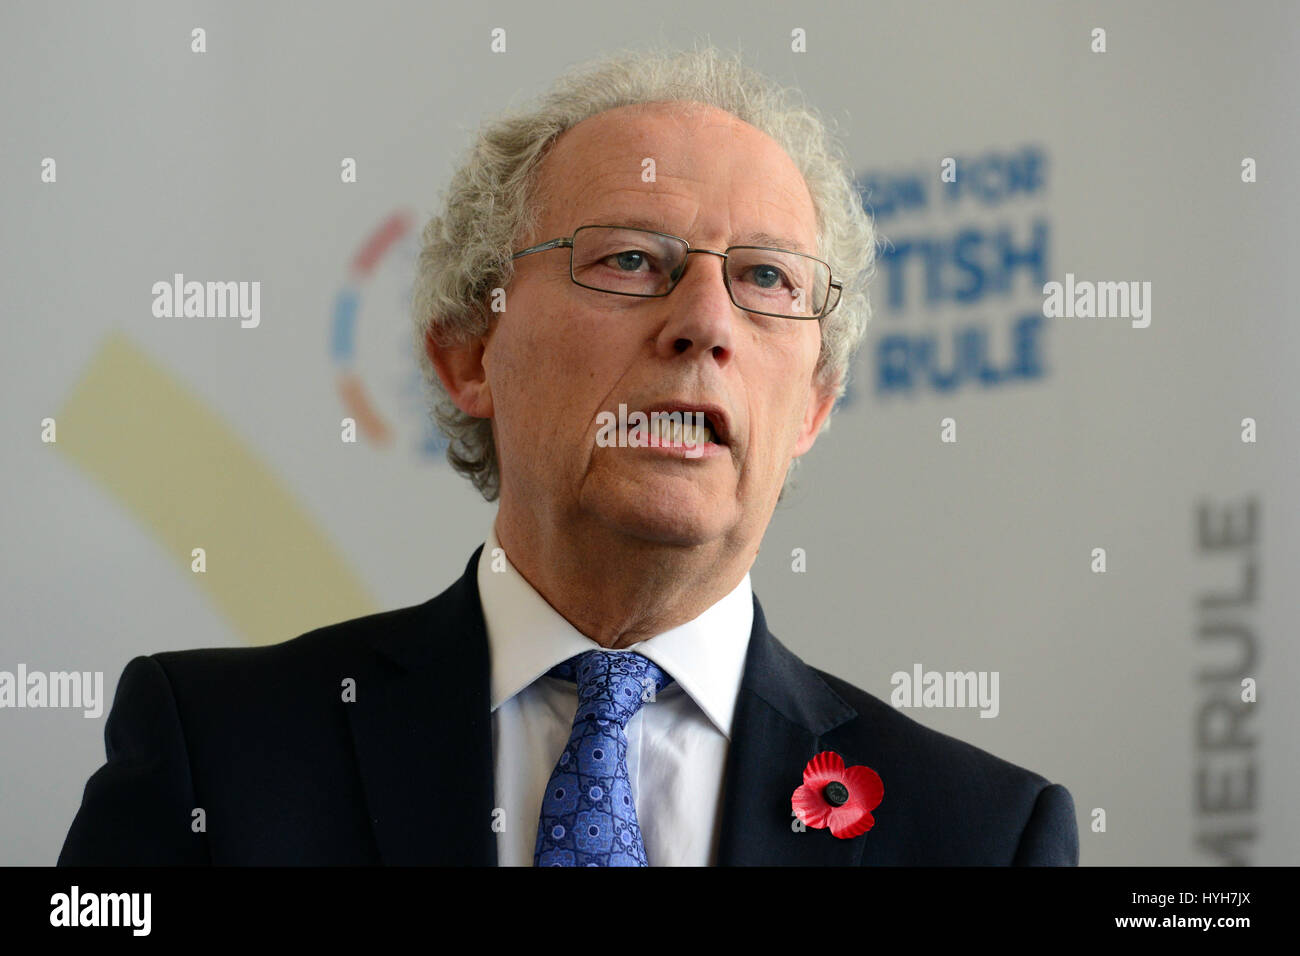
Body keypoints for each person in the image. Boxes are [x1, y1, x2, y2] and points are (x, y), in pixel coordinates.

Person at [59, 46, 1077, 866]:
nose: (706, 324)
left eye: (766, 277)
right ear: (468, 352)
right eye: (630, 259)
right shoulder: (221, 752)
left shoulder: (981, 833)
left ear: (812, 403)